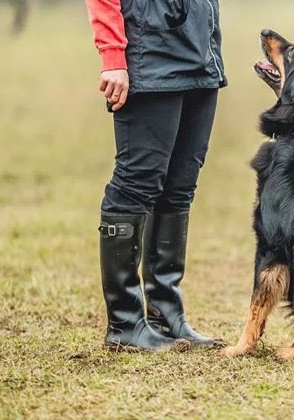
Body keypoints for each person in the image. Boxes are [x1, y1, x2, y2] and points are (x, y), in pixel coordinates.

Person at [84, 0, 226, 351]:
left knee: (180, 187)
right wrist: (113, 56)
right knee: (137, 183)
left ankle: (166, 314)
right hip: (149, 55)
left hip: (200, 51)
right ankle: (125, 324)